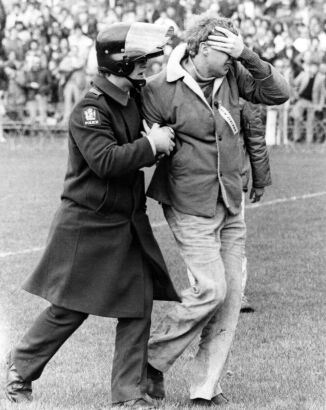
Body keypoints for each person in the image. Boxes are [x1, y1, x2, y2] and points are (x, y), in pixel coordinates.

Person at [5, 22, 179, 410]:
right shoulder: (89, 109)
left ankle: (128, 395)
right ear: (118, 65)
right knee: (72, 306)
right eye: (139, 63)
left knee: (139, 301)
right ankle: (20, 366)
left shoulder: (133, 96)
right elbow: (105, 162)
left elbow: (161, 90)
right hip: (89, 223)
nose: (147, 69)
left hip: (125, 219)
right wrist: (150, 144)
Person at [141, 14, 289, 405]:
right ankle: (150, 361)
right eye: (227, 52)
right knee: (211, 289)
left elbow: (279, 93)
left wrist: (248, 55)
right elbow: (148, 142)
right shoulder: (158, 89)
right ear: (202, 48)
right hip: (189, 203)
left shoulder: (236, 73)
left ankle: (204, 390)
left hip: (231, 202)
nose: (232, 59)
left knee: (230, 298)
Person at [239, 100, 272, 313]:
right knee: (200, 240)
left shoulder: (242, 99)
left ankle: (237, 294)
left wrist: (259, 180)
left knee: (234, 240)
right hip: (197, 181)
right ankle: (202, 293)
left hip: (233, 181)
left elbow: (256, 139)